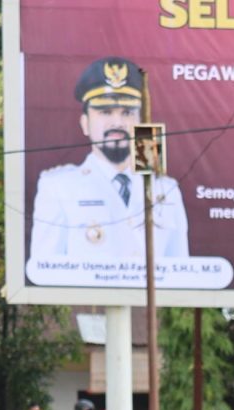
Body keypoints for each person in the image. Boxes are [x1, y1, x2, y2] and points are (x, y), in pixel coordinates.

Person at [27, 56, 195, 287]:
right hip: (85, 313)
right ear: (85, 123)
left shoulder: (166, 188)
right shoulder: (57, 187)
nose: (117, 122)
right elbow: (45, 270)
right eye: (105, 112)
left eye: (127, 113)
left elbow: (180, 272)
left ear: (141, 121)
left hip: (149, 317)